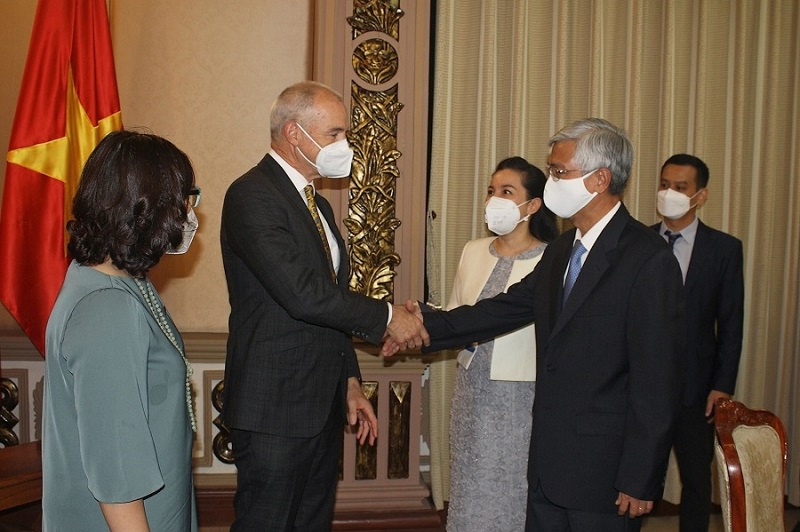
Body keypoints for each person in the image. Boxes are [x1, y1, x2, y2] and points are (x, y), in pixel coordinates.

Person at [386, 118, 685, 531]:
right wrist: (421, 323)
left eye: (559, 172)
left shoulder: (647, 259)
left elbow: (657, 379)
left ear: (600, 179)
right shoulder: (563, 248)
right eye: (550, 171)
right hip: (546, 464)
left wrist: (641, 476)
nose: (550, 181)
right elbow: (501, 309)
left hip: (605, 472)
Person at [220, 80, 427, 531]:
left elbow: (327, 309)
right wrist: (390, 317)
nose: (344, 144)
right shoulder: (251, 195)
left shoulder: (318, 205)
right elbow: (303, 294)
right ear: (295, 134)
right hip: (274, 405)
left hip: (320, 403)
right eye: (335, 134)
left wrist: (349, 382)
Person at [42, 130, 200, 531]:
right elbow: (117, 474)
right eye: (186, 197)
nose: (190, 210)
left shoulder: (117, 281)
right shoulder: (107, 309)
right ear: (151, 208)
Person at [445, 156, 558, 531]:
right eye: (492, 191)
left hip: (521, 393)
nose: (495, 199)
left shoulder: (552, 259)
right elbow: (455, 315)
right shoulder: (473, 250)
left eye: (507, 192)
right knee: (469, 480)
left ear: (533, 204)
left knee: (512, 484)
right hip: (472, 387)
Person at [653, 153, 744, 531]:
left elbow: (732, 323)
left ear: (700, 195)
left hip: (696, 389)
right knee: (635, 479)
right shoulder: (637, 242)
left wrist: (722, 386)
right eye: (663, 184)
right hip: (643, 386)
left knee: (695, 481)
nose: (668, 193)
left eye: (680, 187)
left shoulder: (724, 249)